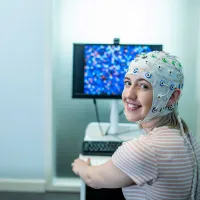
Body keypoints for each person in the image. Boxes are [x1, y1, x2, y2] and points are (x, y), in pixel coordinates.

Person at [72, 51, 200, 200]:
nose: (129, 95)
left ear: (172, 96)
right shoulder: (187, 136)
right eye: (128, 83)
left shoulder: (145, 149)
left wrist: (81, 166)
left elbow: (91, 179)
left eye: (144, 86)